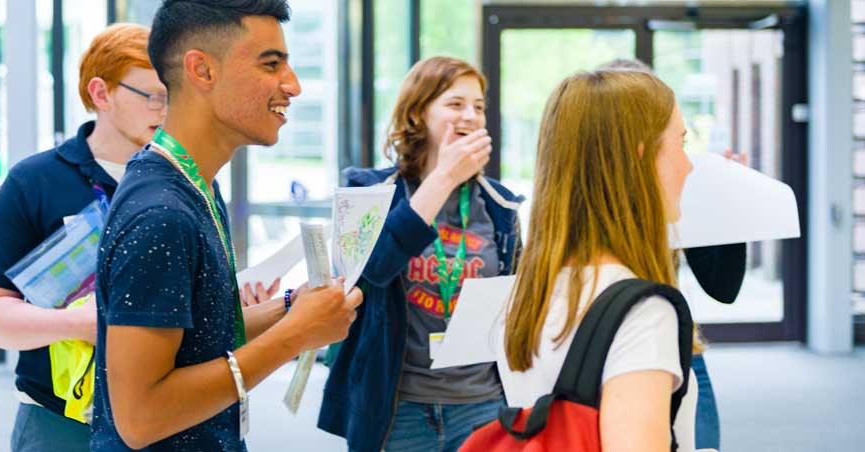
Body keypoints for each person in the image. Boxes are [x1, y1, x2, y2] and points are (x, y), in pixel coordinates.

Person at [91, 0, 362, 452]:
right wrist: (296, 334)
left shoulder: (195, 183)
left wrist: (294, 306)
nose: (293, 84)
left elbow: (205, 332)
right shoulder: (162, 213)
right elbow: (140, 418)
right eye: (271, 64)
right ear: (202, 70)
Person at [497, 69, 716, 452]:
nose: (688, 165)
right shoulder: (642, 313)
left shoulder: (528, 294)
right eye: (680, 144)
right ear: (641, 157)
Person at [0, 23, 166, 452]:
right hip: (60, 423)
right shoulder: (34, 181)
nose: (165, 110)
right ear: (101, 93)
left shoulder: (187, 180)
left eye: (174, 96)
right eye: (153, 96)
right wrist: (79, 323)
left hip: (170, 412)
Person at [318, 56, 524, 452]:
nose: (471, 115)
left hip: (481, 404)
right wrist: (443, 177)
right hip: (397, 406)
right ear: (418, 112)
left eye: (479, 107)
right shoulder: (368, 190)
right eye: (456, 104)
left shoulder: (501, 206)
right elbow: (367, 272)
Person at [598, 58, 747, 450]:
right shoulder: (594, 206)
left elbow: (723, 287)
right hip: (612, 352)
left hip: (682, 350)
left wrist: (727, 209)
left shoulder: (676, 189)